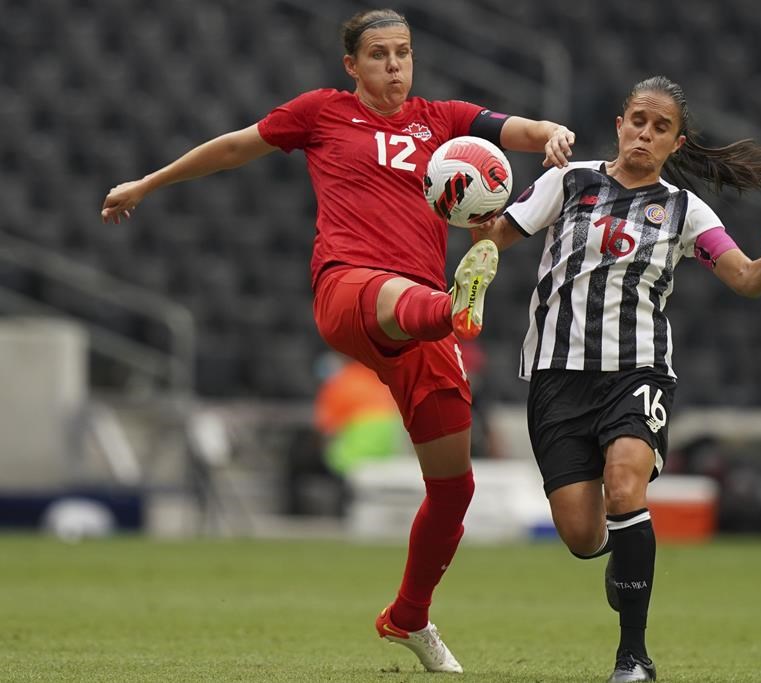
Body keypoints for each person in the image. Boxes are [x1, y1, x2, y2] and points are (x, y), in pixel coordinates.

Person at [100, 8, 576, 673]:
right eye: (379, 55)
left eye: (403, 53)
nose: (394, 66)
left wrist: (551, 131)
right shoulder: (321, 112)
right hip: (351, 288)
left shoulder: (441, 120)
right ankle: (453, 306)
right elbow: (236, 144)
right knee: (399, 299)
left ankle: (409, 614)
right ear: (351, 65)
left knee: (454, 488)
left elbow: (509, 128)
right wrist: (148, 183)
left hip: (419, 319)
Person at [470, 75, 761, 682]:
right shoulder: (568, 181)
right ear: (620, 123)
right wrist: (467, 204)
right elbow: (497, 235)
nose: (645, 134)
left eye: (661, 127)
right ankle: (617, 551)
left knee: (627, 484)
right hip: (556, 375)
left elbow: (745, 279)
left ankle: (634, 657)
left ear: (676, 143)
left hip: (637, 370)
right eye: (638, 121)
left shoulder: (684, 209)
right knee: (579, 533)